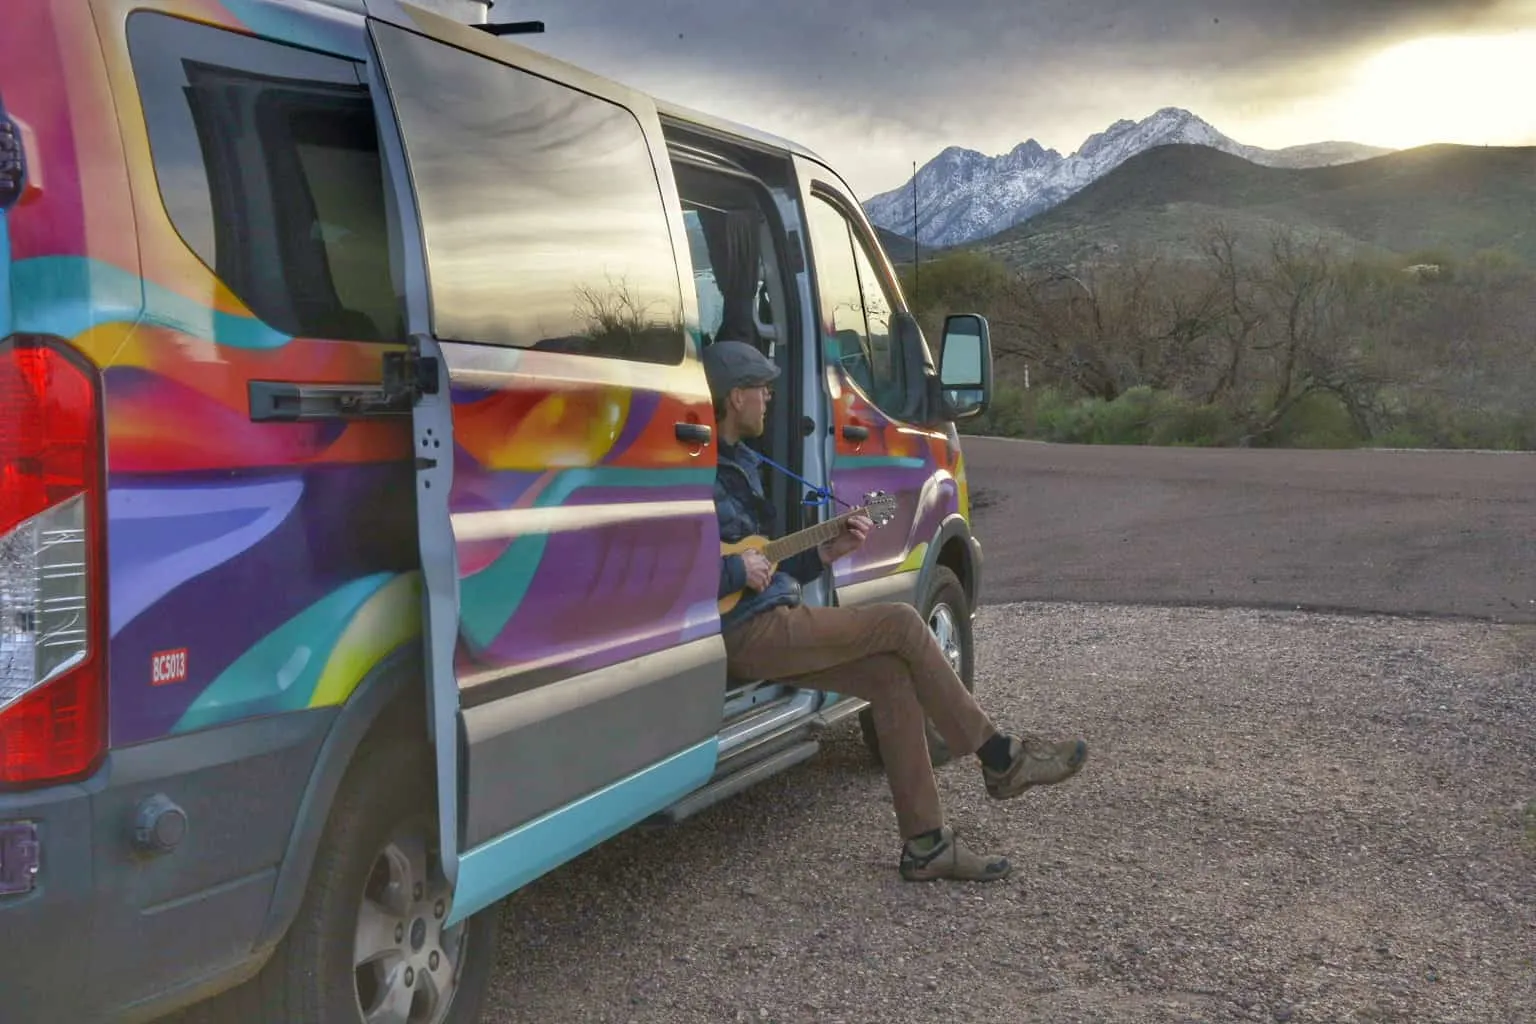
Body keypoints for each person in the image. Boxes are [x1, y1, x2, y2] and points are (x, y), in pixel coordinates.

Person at [704, 339, 1090, 882]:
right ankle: (1000, 755)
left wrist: (824, 553)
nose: (770, 395)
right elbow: (675, 571)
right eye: (760, 387)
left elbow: (765, 564)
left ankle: (927, 843)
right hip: (748, 631)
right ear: (733, 396)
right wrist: (734, 572)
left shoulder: (743, 462)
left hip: (768, 616)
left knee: (890, 679)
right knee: (902, 622)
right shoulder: (698, 474)